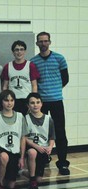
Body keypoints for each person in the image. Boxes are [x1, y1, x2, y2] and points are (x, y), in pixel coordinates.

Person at [30, 32, 70, 175]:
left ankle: (63, 163)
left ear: (50, 42)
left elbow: (65, 79)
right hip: (41, 103)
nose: (43, 43)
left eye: (45, 41)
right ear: (37, 44)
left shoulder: (59, 58)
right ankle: (44, 157)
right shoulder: (33, 62)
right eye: (40, 41)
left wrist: (53, 90)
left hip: (56, 101)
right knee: (42, 133)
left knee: (60, 131)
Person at [0, 90, 26, 189]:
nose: (9, 103)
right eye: (6, 100)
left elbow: (23, 138)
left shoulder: (20, 116)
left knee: (11, 185)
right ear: (1, 102)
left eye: (12, 100)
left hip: (14, 151)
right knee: (4, 157)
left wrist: (21, 157)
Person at [25, 93, 55, 189]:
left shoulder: (48, 119)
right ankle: (32, 179)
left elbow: (52, 137)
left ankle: (25, 172)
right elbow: (24, 138)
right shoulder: (26, 118)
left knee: (40, 180)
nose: (35, 105)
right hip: (31, 147)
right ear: (28, 105)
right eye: (32, 103)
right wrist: (36, 147)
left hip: (43, 149)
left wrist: (50, 147)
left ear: (41, 104)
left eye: (38, 102)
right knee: (32, 152)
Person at [2, 40, 40, 115]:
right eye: (16, 50)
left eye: (21, 49)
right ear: (13, 52)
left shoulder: (30, 65)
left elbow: (34, 85)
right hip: (13, 100)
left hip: (26, 100)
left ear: (25, 51)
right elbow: (5, 87)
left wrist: (32, 101)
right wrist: (5, 101)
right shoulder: (7, 66)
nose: (19, 52)